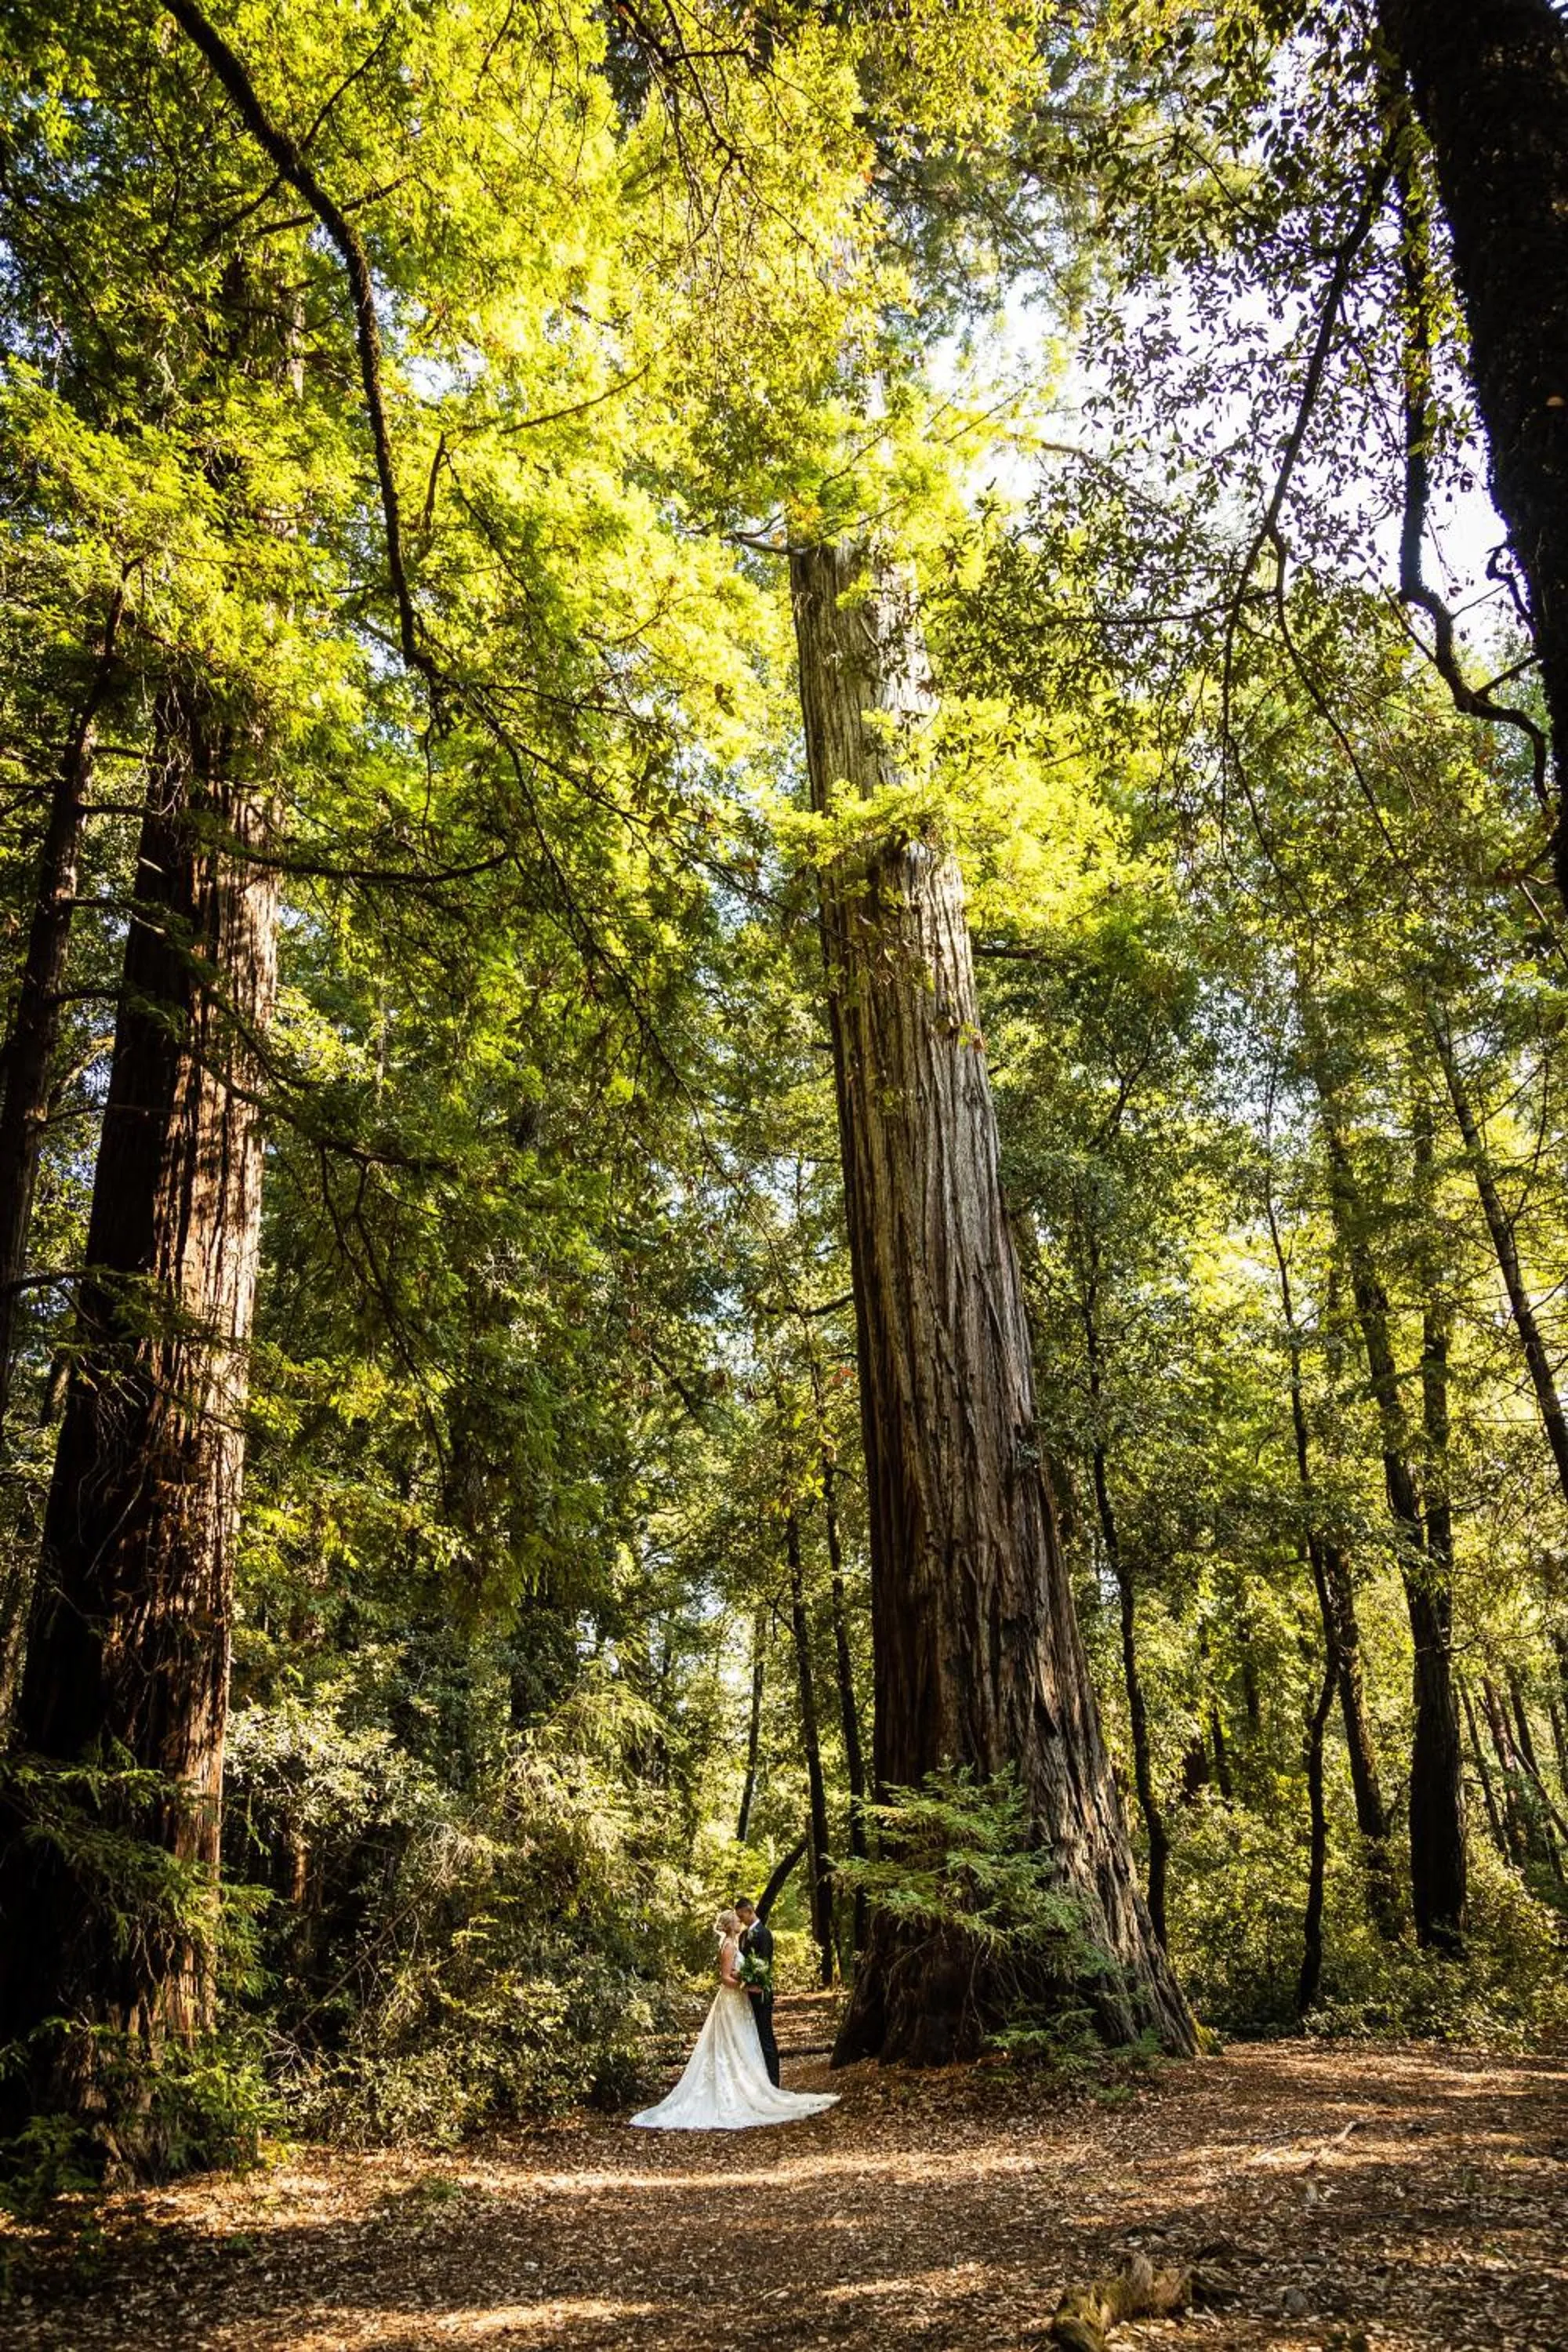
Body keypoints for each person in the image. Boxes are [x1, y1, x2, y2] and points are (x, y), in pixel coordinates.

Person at [630, 1907, 837, 2132]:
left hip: (739, 2002)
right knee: (732, 2041)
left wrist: (745, 1978)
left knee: (744, 2042)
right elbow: (725, 1977)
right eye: (737, 1921)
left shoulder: (735, 1943)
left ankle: (752, 2086)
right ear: (730, 1925)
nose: (740, 1923)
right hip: (731, 2001)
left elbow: (735, 1972)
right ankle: (735, 2090)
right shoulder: (728, 1946)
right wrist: (745, 1983)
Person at [734, 1896, 779, 2087]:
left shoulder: (765, 1934)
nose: (740, 1919)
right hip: (746, 1996)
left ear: (749, 1910)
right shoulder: (743, 1937)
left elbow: (765, 1965)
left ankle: (774, 2082)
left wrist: (751, 1979)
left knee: (765, 2037)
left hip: (761, 1994)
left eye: (741, 1915)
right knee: (752, 2039)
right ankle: (759, 2083)